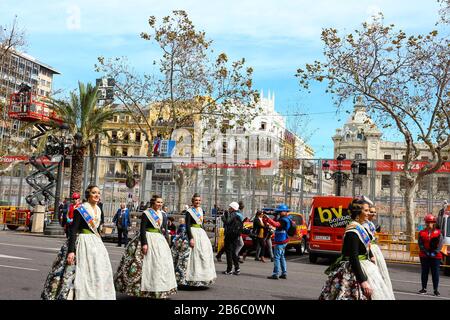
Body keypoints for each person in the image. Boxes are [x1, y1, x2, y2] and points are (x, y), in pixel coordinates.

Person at [41, 185, 116, 300]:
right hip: (82, 243)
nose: (97, 195)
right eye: (94, 193)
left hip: (96, 244)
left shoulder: (99, 209)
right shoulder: (81, 210)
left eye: (98, 193)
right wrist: (71, 251)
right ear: (88, 195)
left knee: (97, 271)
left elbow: (98, 227)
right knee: (78, 273)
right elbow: (73, 230)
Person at [319, 196, 395, 300]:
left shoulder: (360, 227)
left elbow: (366, 247)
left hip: (364, 266)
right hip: (353, 272)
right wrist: (363, 281)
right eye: (366, 210)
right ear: (358, 212)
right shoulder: (352, 231)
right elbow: (353, 257)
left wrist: (371, 256)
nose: (369, 213)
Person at [114, 195, 177, 299]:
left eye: (161, 202)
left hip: (159, 239)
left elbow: (164, 229)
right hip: (148, 238)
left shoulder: (163, 215)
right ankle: (143, 289)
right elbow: (142, 229)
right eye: (158, 202)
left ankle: (159, 288)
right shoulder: (147, 214)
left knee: (159, 264)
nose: (160, 204)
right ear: (153, 203)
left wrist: (166, 241)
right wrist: (144, 243)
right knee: (144, 264)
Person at [172, 193, 216, 287]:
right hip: (192, 232)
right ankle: (189, 279)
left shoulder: (200, 210)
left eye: (199, 200)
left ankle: (202, 278)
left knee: (203, 254)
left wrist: (205, 234)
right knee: (191, 255)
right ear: (192, 201)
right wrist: (191, 238)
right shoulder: (189, 212)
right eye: (196, 200)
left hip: (200, 232)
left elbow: (202, 224)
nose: (198, 202)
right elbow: (187, 225)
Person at [362, 204, 394, 295]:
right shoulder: (365, 224)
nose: (373, 213)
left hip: (375, 249)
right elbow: (367, 241)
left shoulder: (370, 223)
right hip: (370, 249)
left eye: (374, 212)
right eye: (370, 212)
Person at [418, 213, 443, 296]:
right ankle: (424, 289)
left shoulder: (439, 233)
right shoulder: (421, 232)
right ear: (425, 223)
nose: (429, 224)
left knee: (435, 273)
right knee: (424, 272)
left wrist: (435, 252)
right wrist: (425, 251)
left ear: (434, 222)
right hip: (424, 256)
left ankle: (436, 290)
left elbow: (440, 244)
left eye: (431, 222)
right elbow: (420, 243)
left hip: (436, 257)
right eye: (427, 222)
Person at [264, 204, 291, 279]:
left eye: (280, 211)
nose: (278, 213)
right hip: (284, 240)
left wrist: (268, 219)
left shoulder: (283, 220)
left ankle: (275, 274)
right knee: (282, 257)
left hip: (280, 241)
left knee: (276, 257)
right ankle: (284, 273)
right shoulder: (286, 218)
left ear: (285, 212)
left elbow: (276, 224)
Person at [222, 202, 243, 275]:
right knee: (234, 252)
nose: (229, 209)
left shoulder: (233, 214)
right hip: (235, 235)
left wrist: (223, 218)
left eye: (230, 207)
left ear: (233, 208)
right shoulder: (239, 215)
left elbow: (227, 222)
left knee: (229, 252)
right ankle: (237, 268)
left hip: (229, 235)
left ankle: (229, 269)